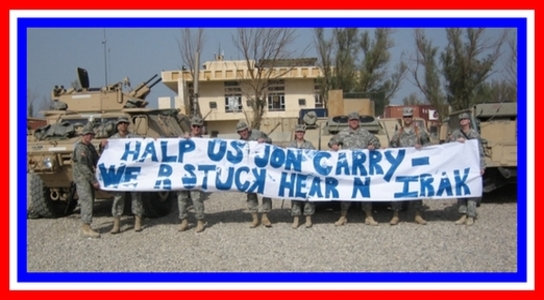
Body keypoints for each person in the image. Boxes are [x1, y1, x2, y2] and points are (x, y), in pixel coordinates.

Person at [328, 111, 381, 226]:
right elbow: (332, 141)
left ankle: (369, 216)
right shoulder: (343, 133)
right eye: (352, 120)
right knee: (346, 190)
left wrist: (373, 146)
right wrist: (334, 145)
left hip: (362, 169)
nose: (354, 122)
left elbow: (377, 142)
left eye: (356, 120)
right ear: (348, 122)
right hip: (348, 169)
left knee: (365, 190)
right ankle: (343, 216)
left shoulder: (365, 133)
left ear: (359, 122)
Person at [388, 107, 431, 225]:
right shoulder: (398, 133)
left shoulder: (419, 131)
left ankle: (417, 214)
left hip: (415, 167)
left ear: (412, 118)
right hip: (402, 167)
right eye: (405, 117)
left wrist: (421, 147)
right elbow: (391, 147)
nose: (407, 119)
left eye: (409, 117)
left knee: (417, 189)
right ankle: (396, 214)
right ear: (403, 118)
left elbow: (429, 146)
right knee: (398, 189)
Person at [103, 116, 144, 234]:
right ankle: (116, 224)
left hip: (132, 172)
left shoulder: (135, 138)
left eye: (125, 123)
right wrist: (102, 145)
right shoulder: (112, 140)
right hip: (119, 173)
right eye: (121, 123)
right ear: (117, 125)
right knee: (118, 198)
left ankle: (137, 221)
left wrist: (155, 141)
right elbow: (105, 154)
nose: (123, 125)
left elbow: (146, 145)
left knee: (136, 197)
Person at [449, 112, 486, 226]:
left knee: (472, 190)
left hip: (472, 166)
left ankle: (471, 215)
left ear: (469, 121)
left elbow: (480, 151)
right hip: (460, 166)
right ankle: (463, 214)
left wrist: (482, 166)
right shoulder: (456, 133)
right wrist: (455, 141)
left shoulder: (474, 134)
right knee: (461, 190)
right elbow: (447, 145)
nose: (463, 121)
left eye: (465, 119)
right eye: (461, 120)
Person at [236, 120, 273, 228]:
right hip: (249, 171)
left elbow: (270, 141)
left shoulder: (257, 133)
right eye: (240, 131)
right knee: (251, 193)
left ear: (247, 129)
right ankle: (255, 217)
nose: (243, 132)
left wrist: (264, 140)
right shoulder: (240, 143)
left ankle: (265, 216)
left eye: (244, 130)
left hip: (261, 167)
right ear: (238, 133)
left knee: (265, 191)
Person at [177, 116, 206, 233]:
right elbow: (169, 145)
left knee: (196, 198)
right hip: (183, 174)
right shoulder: (183, 138)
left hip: (196, 175)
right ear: (191, 127)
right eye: (194, 126)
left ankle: (200, 221)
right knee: (181, 198)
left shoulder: (205, 142)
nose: (196, 128)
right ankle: (184, 221)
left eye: (198, 126)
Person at [72, 124, 101, 238]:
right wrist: (93, 180)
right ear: (82, 136)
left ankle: (87, 225)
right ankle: (85, 227)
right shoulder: (80, 148)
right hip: (83, 178)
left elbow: (96, 160)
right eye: (87, 134)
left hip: (88, 177)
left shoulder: (90, 147)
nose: (89, 136)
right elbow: (83, 166)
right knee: (86, 200)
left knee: (90, 199)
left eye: (91, 134)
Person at [287, 124, 316, 229]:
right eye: (298, 132)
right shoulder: (290, 145)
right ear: (295, 133)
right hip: (295, 175)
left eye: (301, 132)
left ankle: (308, 217)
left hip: (306, 175)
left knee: (307, 195)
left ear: (304, 133)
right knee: (295, 196)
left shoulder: (309, 145)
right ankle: (296, 218)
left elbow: (315, 157)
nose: (300, 133)